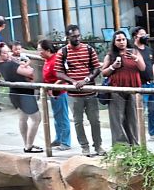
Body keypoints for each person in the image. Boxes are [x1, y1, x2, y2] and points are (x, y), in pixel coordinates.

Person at [56, 24, 103, 156]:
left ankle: (98, 146)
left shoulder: (88, 49)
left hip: (90, 91)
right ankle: (84, 146)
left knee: (95, 120)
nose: (77, 38)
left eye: (78, 36)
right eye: (73, 36)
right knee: (78, 121)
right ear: (68, 37)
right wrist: (73, 81)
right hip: (74, 94)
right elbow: (59, 72)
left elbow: (96, 68)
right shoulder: (63, 52)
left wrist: (86, 80)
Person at [101, 30, 143, 147]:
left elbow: (143, 68)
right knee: (117, 120)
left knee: (133, 120)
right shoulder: (110, 56)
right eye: (118, 40)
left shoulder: (134, 52)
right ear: (114, 42)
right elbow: (103, 73)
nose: (121, 42)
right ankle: (120, 146)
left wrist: (135, 58)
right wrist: (113, 67)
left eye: (123, 39)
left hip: (133, 90)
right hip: (116, 90)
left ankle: (134, 145)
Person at [0, 46, 41, 152]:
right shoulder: (9, 64)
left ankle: (27, 143)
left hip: (16, 93)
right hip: (24, 94)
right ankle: (29, 145)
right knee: (36, 119)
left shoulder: (3, 65)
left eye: (8, 51)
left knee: (23, 119)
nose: (8, 54)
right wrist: (25, 66)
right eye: (5, 52)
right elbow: (30, 72)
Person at [39, 39, 73, 150]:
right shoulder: (47, 60)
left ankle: (66, 142)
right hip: (51, 93)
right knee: (57, 117)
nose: (39, 52)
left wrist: (53, 88)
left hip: (59, 93)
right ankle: (59, 138)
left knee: (62, 117)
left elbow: (63, 77)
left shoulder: (55, 61)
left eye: (41, 50)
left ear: (48, 50)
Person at [132, 26, 154, 139]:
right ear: (135, 36)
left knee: (153, 109)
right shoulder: (132, 50)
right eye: (142, 34)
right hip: (140, 84)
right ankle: (138, 133)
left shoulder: (148, 49)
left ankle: (153, 132)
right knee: (141, 109)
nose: (145, 36)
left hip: (151, 83)